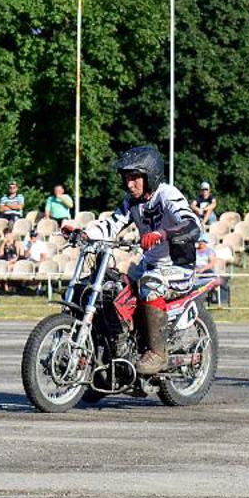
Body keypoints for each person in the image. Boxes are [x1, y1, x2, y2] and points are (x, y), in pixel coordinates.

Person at [79, 145, 202, 374]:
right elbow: (111, 224)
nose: (129, 184)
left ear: (151, 175)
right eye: (127, 178)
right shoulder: (132, 202)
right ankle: (113, 350)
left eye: (135, 177)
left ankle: (157, 353)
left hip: (177, 267)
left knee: (149, 285)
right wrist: (84, 233)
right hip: (148, 265)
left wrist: (163, 234)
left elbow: (192, 224)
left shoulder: (167, 195)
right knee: (110, 287)